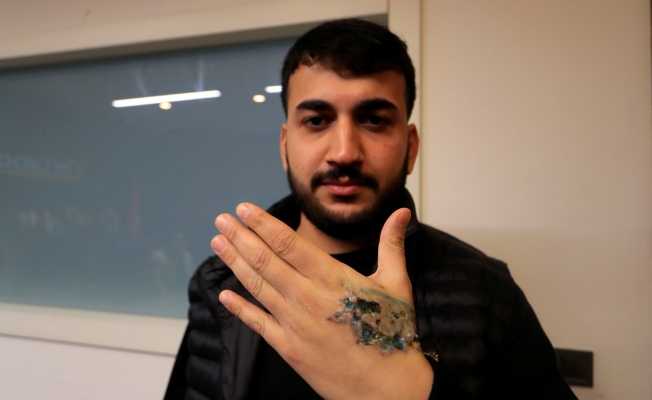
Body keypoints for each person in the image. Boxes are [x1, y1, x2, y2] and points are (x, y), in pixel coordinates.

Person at [165, 19, 577, 400]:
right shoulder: (222, 281)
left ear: (410, 147)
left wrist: (408, 387)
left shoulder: (484, 290)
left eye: (374, 120)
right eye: (317, 120)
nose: (345, 152)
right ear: (285, 146)